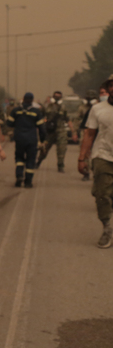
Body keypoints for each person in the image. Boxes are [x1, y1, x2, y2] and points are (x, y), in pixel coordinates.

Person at [78, 75, 113, 248]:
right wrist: (81, 158)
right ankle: (107, 228)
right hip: (103, 156)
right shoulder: (98, 109)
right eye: (111, 85)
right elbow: (89, 134)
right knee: (102, 194)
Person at [6, 92, 46, 188]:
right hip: (31, 139)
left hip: (19, 138)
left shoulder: (16, 110)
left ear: (23, 99)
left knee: (19, 158)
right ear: (32, 100)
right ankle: (28, 181)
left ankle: (19, 176)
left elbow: (9, 123)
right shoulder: (36, 112)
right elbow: (42, 128)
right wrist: (43, 139)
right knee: (30, 160)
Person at [38, 90, 77, 172]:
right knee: (44, 148)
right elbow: (40, 117)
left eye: (58, 97)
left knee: (62, 149)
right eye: (55, 96)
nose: (56, 98)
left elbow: (68, 120)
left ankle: (60, 165)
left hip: (61, 131)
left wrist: (73, 132)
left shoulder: (63, 108)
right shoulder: (47, 106)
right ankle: (38, 161)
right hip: (50, 131)